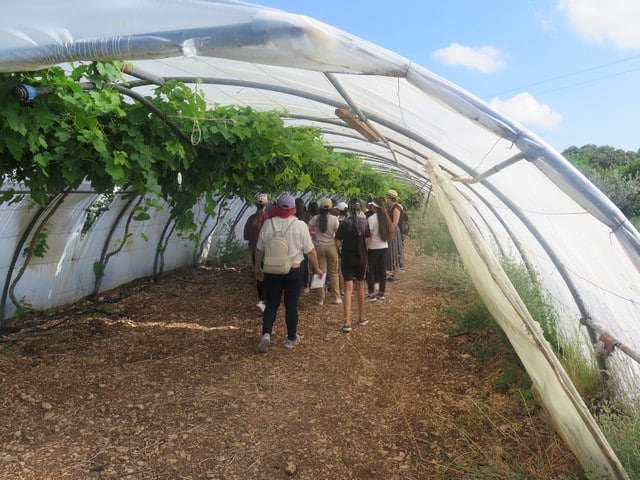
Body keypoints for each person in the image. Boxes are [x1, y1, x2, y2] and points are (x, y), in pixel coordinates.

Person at [254, 193, 323, 353]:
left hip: (272, 270)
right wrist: (317, 268)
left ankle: (266, 334)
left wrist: (258, 266)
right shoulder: (300, 225)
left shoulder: (268, 224)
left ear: (277, 206)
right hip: (294, 270)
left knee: (271, 304)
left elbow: (259, 249)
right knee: (291, 305)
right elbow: (310, 251)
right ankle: (291, 338)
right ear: (293, 209)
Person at [335, 198, 371, 332]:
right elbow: (369, 239)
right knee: (360, 287)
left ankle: (347, 321)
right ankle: (362, 317)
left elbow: (338, 243)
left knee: (348, 288)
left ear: (348, 210)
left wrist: (346, 245)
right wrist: (363, 249)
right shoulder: (364, 222)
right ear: (359, 209)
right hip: (361, 259)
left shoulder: (344, 224)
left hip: (347, 259)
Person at [308, 197, 342, 305]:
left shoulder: (315, 218)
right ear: (330, 208)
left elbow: (307, 228)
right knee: (333, 273)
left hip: (319, 248)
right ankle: (336, 297)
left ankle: (320, 299)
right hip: (331, 247)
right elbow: (338, 233)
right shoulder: (334, 219)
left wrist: (312, 236)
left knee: (320, 273)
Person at [243, 193, 269, 312]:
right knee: (269, 275)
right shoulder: (269, 220)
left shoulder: (250, 219)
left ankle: (262, 300)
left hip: (254, 252)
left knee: (259, 274)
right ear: (266, 204)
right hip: (268, 252)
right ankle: (268, 301)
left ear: (255, 204)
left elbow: (246, 236)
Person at [365, 198, 393, 302]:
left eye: (372, 205)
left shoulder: (371, 219)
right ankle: (381, 293)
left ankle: (371, 294)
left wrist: (366, 247)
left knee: (370, 270)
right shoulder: (385, 218)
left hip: (374, 247)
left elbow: (369, 235)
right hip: (384, 246)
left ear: (374, 207)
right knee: (382, 269)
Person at [385, 189, 405, 282]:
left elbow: (395, 222)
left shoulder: (396, 208)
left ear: (390, 198)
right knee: (393, 250)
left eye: (387, 197)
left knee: (395, 250)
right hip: (393, 230)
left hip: (394, 231)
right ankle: (393, 273)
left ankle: (395, 274)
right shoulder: (393, 207)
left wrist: (389, 231)